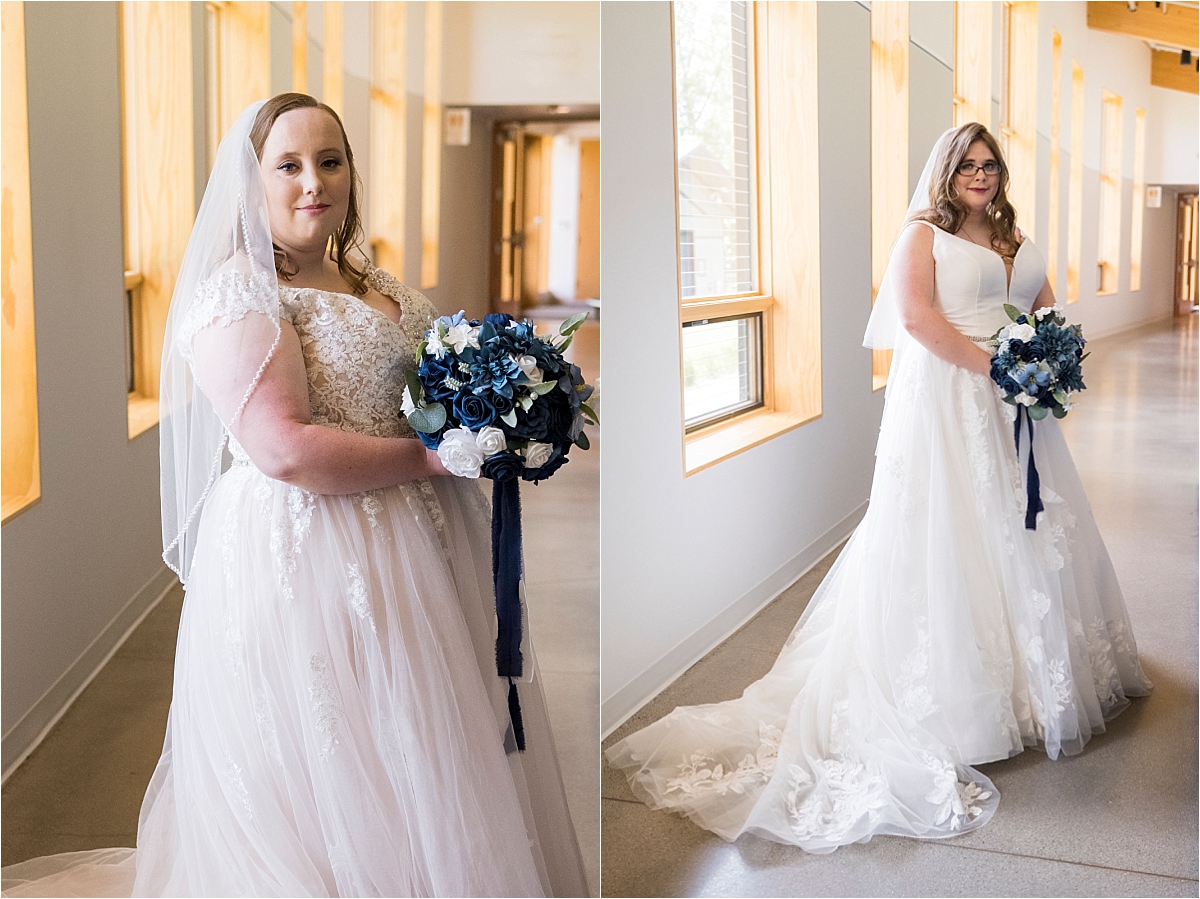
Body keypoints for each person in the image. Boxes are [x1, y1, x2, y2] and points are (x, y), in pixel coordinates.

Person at [2, 94, 588, 897]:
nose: (314, 182)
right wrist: (443, 458)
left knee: (424, 746)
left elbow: (421, 386)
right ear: (253, 182)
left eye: (331, 161)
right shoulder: (240, 294)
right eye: (289, 165)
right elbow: (285, 448)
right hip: (312, 551)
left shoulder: (366, 273)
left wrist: (506, 408)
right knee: (340, 763)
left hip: (417, 545)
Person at [606, 123, 1151, 853]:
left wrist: (1047, 354)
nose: (981, 176)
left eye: (990, 165)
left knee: (1024, 528)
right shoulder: (922, 236)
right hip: (953, 399)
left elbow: (1044, 302)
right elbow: (920, 322)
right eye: (968, 165)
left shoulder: (1012, 233)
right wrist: (999, 369)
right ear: (948, 171)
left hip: (1014, 401)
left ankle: (1036, 678)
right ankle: (961, 694)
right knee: (950, 530)